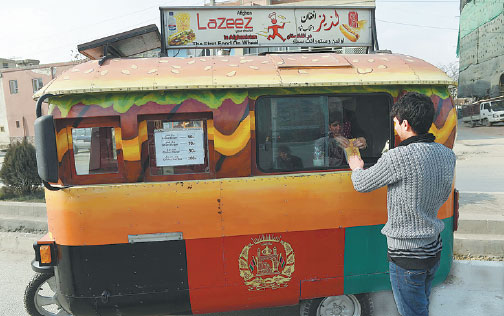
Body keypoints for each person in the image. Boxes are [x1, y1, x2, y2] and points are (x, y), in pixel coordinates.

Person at [348, 92, 456, 316]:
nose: (395, 127)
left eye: (396, 123)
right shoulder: (447, 155)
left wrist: (356, 166)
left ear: (405, 123)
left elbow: (362, 184)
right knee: (420, 304)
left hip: (407, 256)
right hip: (433, 249)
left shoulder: (398, 158)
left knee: (412, 311)